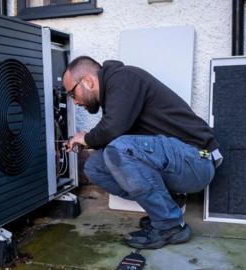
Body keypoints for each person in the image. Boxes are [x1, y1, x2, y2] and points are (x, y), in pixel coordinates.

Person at [63, 56, 222, 249]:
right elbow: (113, 134)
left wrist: (87, 138)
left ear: (87, 81)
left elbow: (112, 130)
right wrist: (89, 140)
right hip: (180, 162)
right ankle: (167, 205)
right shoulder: (114, 92)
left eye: (72, 93)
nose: (75, 101)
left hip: (198, 158)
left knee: (119, 149)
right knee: (95, 166)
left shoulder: (123, 78)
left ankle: (170, 226)